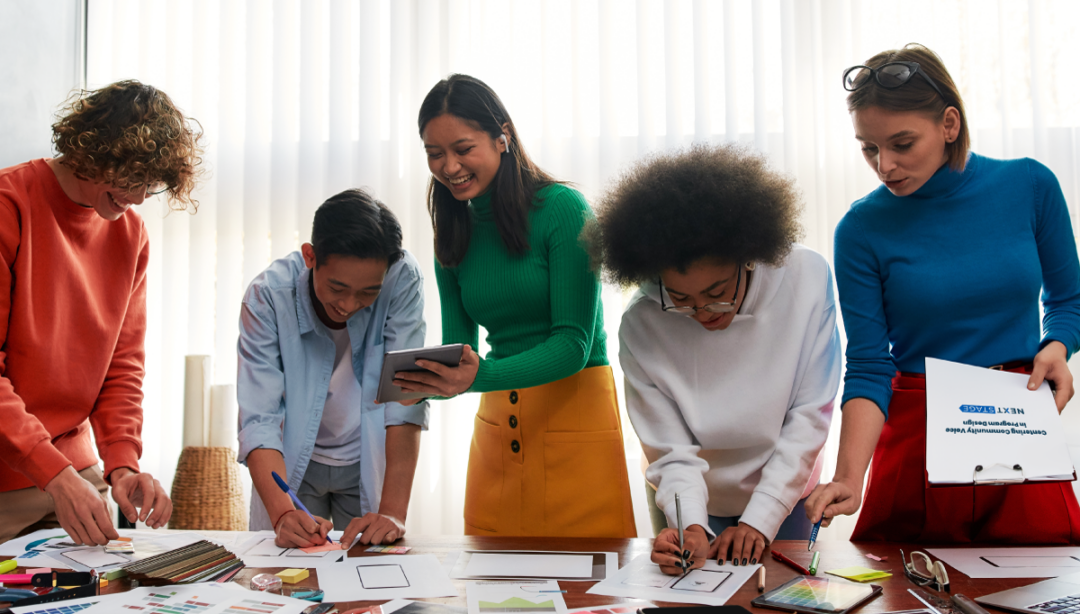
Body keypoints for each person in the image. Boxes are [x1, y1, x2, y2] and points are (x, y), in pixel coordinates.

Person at [806, 43, 1080, 543]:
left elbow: (1068, 301)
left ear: (949, 125)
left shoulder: (1031, 185)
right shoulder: (861, 229)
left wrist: (1056, 347)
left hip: (1016, 417)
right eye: (868, 147)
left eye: (901, 143)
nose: (884, 165)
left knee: (1047, 581)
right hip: (917, 433)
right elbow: (869, 363)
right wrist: (848, 476)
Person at [391, 73, 636, 538]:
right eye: (434, 153)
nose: (449, 166)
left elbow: (573, 344)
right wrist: (422, 380)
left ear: (502, 136)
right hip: (499, 426)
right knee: (491, 588)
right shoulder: (454, 230)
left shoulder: (564, 210)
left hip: (575, 416)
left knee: (588, 595)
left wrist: (477, 376)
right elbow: (461, 349)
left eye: (463, 148)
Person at [585, 143, 840, 572]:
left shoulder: (807, 280)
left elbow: (809, 416)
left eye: (718, 294)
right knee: (688, 590)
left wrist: (759, 521)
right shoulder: (643, 323)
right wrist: (690, 527)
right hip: (689, 489)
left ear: (749, 259)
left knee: (779, 595)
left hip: (785, 486)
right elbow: (669, 450)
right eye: (680, 299)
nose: (702, 312)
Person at [0, 80, 201, 545]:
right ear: (92, 151)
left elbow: (122, 366)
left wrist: (122, 465)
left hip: (72, 470)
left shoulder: (130, 235)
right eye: (132, 178)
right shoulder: (10, 207)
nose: (140, 197)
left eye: (151, 184)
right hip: (17, 474)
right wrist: (54, 474)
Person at [237, 189, 429, 548]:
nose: (349, 304)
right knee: (290, 578)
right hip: (291, 464)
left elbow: (406, 397)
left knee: (369, 577)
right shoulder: (266, 297)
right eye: (338, 287)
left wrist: (392, 513)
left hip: (367, 459)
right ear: (310, 256)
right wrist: (281, 514)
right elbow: (259, 419)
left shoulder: (402, 279)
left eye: (368, 293)